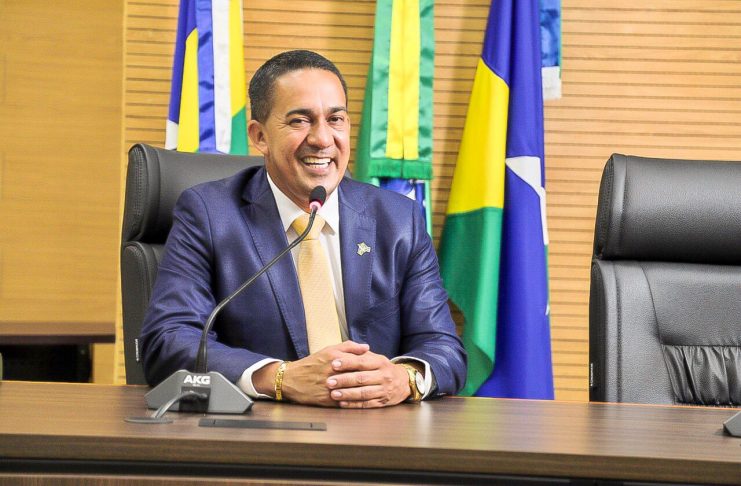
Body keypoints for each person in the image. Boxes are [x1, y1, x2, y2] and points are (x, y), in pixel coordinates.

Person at [140, 50, 466, 408]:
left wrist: (404, 377)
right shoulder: (209, 214)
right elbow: (169, 340)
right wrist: (280, 378)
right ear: (260, 136)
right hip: (264, 428)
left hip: (378, 425)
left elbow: (443, 348)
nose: (323, 139)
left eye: (335, 119)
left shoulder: (398, 219)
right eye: (300, 121)